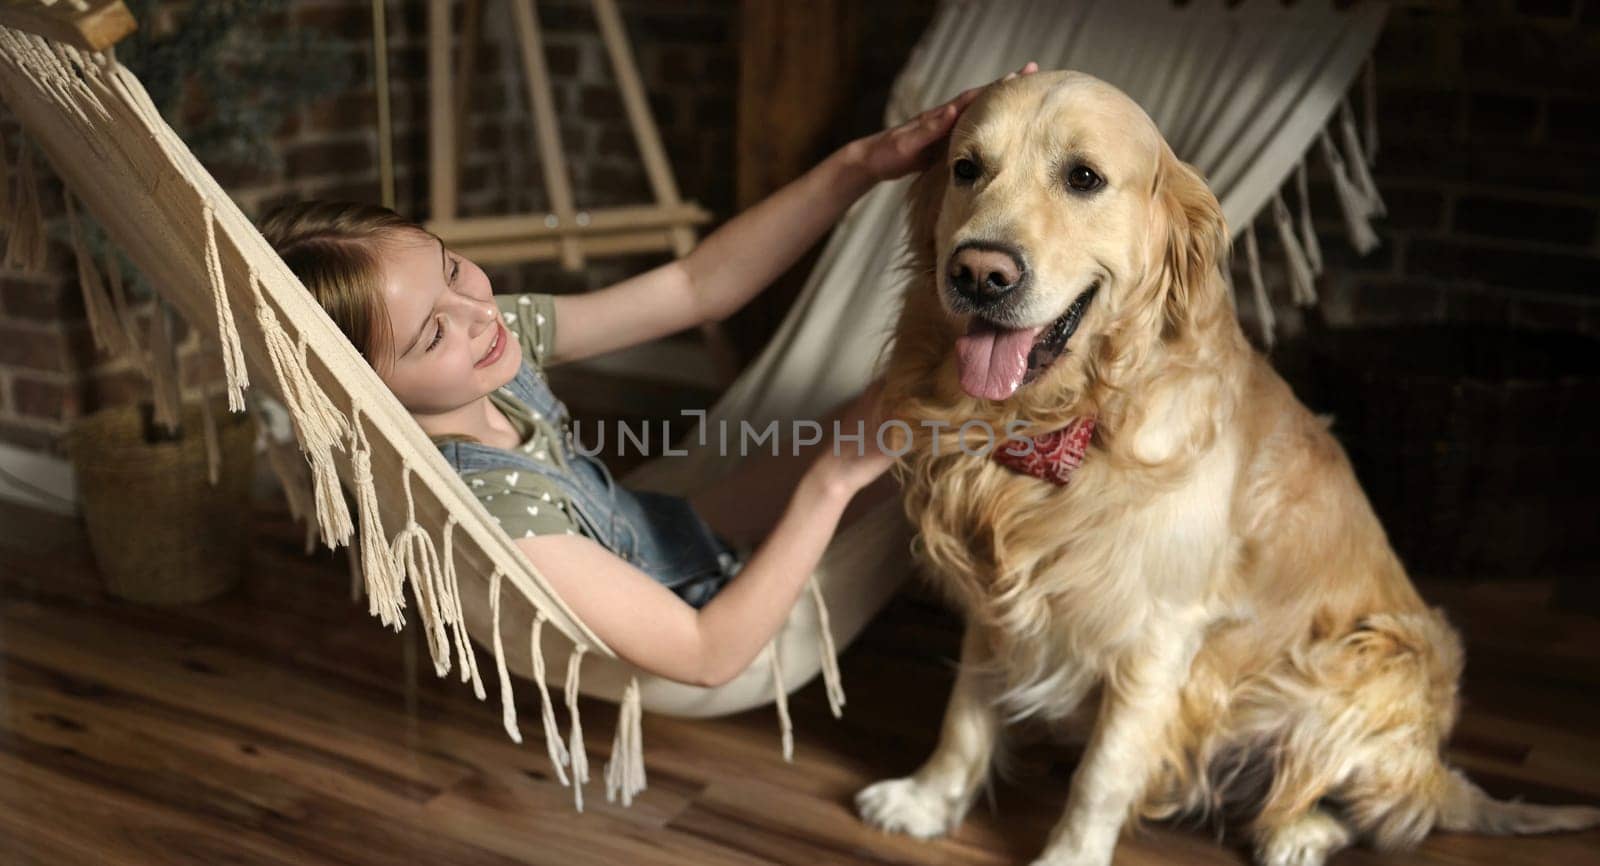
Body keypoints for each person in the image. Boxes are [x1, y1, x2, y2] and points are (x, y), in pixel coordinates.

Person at [261, 63, 1039, 690]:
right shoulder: (497, 514)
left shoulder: (488, 345)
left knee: (937, 395)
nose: (477, 311)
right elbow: (707, 657)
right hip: (700, 611)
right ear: (365, 390)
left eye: (453, 267)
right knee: (913, 429)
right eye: (433, 331)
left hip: (673, 533)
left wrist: (861, 166)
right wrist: (831, 481)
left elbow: (697, 287)